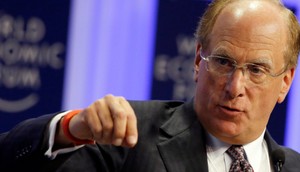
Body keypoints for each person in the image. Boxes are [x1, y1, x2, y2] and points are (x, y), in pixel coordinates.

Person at [1, 0, 300, 171]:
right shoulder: (128, 135)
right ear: (198, 60)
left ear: (285, 81)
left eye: (257, 70)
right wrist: (69, 130)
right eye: (223, 62)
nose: (235, 87)